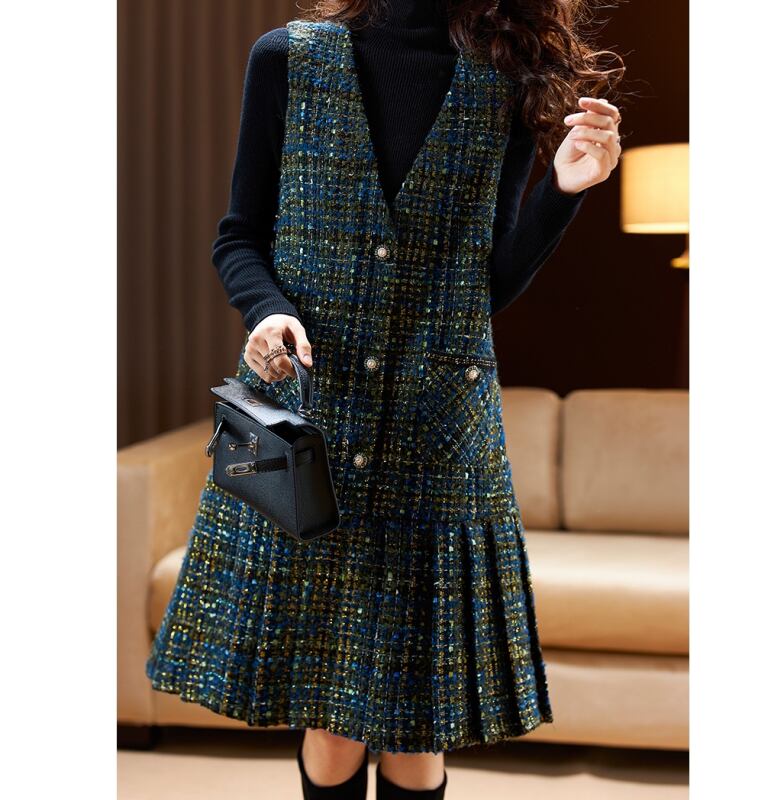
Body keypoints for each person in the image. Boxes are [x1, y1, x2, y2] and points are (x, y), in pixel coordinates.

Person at [146, 2, 624, 798]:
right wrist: (267, 311)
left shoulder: (501, 80)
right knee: (332, 724)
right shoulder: (288, 58)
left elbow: (483, 286)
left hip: (438, 433)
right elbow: (240, 236)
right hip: (315, 420)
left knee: (416, 729)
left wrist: (563, 191)